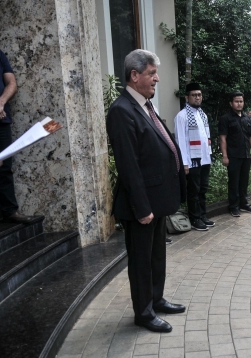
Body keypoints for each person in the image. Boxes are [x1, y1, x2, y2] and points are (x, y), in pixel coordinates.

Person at [106, 49, 187, 333]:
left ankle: (156, 299)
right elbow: (128, 166)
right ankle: (143, 313)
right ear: (134, 75)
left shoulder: (145, 105)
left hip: (157, 200)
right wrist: (142, 208)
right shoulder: (121, 110)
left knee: (156, 256)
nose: (157, 79)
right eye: (152, 73)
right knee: (141, 261)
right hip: (141, 205)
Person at [0, 46, 35, 223]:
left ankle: (10, 211)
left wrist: (0, 103)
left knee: (4, 168)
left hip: (0, 122)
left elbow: (12, 83)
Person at [174, 82, 214, 231]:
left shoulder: (202, 115)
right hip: (192, 161)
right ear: (187, 97)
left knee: (203, 188)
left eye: (199, 95)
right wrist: (185, 163)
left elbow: (206, 139)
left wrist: (209, 156)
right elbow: (180, 142)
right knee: (194, 190)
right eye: (194, 95)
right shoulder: (182, 116)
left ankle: (202, 215)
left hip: (204, 158)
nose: (197, 98)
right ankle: (195, 218)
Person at [218, 92, 251, 217]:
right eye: (236, 101)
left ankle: (243, 203)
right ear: (231, 103)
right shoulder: (225, 119)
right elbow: (223, 138)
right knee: (234, 182)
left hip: (246, 156)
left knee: (244, 181)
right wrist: (225, 156)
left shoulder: (247, 119)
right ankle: (233, 206)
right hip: (233, 155)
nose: (239, 103)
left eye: (241, 101)